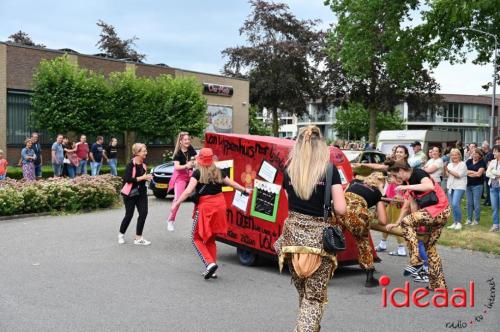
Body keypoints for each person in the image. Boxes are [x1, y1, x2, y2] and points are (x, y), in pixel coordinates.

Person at [274, 126, 346, 332]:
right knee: (313, 299)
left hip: (292, 240)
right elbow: (341, 209)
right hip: (318, 241)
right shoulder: (330, 170)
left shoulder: (289, 170)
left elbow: (290, 203)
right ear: (321, 145)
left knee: (304, 295)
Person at [171, 148, 251, 279]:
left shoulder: (197, 173)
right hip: (219, 206)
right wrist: (245, 190)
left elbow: (187, 191)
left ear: (200, 159)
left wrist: (176, 203)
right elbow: (232, 184)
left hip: (205, 207)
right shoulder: (218, 171)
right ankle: (212, 269)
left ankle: (209, 263)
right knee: (210, 238)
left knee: (195, 237)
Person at [385, 161, 451, 291]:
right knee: (429, 248)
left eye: (396, 175)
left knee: (407, 222)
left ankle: (416, 260)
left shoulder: (418, 173)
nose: (397, 179)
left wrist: (407, 188)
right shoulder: (408, 183)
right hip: (434, 213)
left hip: (439, 210)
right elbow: (409, 206)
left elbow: (429, 186)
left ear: (402, 170)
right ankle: (438, 284)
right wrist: (398, 223)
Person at [337, 172, 387, 287]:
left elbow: (342, 196)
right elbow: (383, 221)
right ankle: (369, 274)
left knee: (334, 236)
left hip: (341, 211)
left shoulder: (354, 182)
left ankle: (324, 271)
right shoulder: (378, 193)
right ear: (381, 183)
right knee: (363, 242)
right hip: (357, 216)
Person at [118, 143, 153, 246]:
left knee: (143, 213)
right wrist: (143, 178)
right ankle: (121, 234)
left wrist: (147, 178)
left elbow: (144, 177)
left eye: (146, 150)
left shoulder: (144, 163)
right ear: (137, 153)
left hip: (141, 192)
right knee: (129, 215)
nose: (146, 153)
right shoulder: (130, 165)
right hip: (130, 193)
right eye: (144, 151)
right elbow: (127, 179)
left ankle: (138, 237)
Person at [166, 132, 197, 232]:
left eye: (188, 139)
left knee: (201, 192)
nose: (188, 141)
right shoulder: (178, 153)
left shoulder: (191, 149)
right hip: (180, 176)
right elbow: (177, 167)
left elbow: (195, 160)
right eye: (185, 140)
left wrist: (194, 163)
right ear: (181, 142)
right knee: (178, 198)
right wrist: (186, 166)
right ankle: (170, 220)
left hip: (190, 173)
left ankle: (199, 219)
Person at [445, 149, 467, 230]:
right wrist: (445, 170)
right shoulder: (450, 164)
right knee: (452, 205)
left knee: (455, 204)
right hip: (450, 186)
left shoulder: (462, 164)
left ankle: (459, 222)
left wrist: (448, 170)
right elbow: (448, 175)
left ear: (459, 155)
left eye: (456, 154)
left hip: (459, 186)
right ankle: (455, 222)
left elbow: (458, 175)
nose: (454, 156)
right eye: (452, 155)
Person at [465, 149, 486, 226]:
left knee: (476, 203)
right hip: (468, 185)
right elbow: (464, 171)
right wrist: (474, 172)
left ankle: (476, 220)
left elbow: (479, 175)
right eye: (473, 153)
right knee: (469, 203)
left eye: (477, 154)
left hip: (478, 185)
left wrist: (470, 172)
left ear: (480, 155)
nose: (475, 155)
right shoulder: (468, 161)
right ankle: (469, 219)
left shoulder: (482, 163)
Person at [485, 145, 500, 232]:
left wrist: (493, 172)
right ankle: (495, 224)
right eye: (493, 151)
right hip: (493, 187)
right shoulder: (492, 162)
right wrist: (495, 175)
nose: (493, 153)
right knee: (494, 207)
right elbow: (487, 173)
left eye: (495, 151)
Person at [481, 141, 494, 206]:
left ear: (486, 147)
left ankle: (489, 201)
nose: (482, 147)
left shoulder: (489, 154)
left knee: (489, 187)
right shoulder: (486, 154)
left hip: (488, 173)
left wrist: (486, 172)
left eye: (483, 146)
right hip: (486, 173)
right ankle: (488, 200)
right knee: (487, 187)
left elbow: (489, 164)